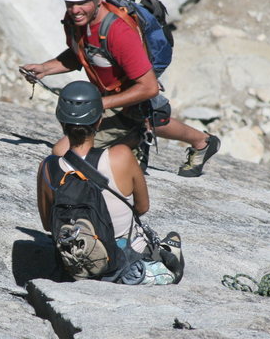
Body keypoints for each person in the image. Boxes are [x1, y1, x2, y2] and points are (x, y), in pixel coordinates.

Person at [21, 0, 220, 177]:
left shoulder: (118, 32)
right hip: (111, 90)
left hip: (128, 88)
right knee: (145, 119)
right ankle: (145, 136)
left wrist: (100, 104)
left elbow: (149, 88)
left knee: (64, 152)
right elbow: (81, 54)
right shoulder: (77, 22)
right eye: (70, 3)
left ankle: (189, 141)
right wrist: (45, 69)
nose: (75, 9)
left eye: (82, 2)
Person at [37, 80, 183, 285]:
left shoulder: (48, 167)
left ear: (61, 121)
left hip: (75, 260)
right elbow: (142, 207)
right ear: (98, 121)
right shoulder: (121, 155)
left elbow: (47, 224)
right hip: (122, 261)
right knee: (170, 244)